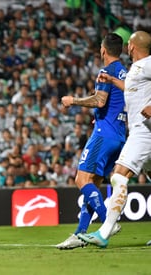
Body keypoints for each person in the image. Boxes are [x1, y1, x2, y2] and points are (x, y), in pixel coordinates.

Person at [78, 31, 151, 248]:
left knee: (119, 176)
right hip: (141, 130)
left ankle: (104, 232)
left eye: (129, 44)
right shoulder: (136, 69)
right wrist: (111, 80)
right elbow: (131, 89)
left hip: (144, 131)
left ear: (132, 47)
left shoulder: (148, 63)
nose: (127, 47)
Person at [56, 33, 127, 249]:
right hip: (120, 134)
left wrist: (73, 100)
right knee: (93, 183)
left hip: (104, 134)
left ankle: (108, 222)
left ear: (103, 50)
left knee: (81, 179)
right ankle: (80, 233)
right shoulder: (126, 73)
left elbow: (100, 99)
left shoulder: (106, 72)